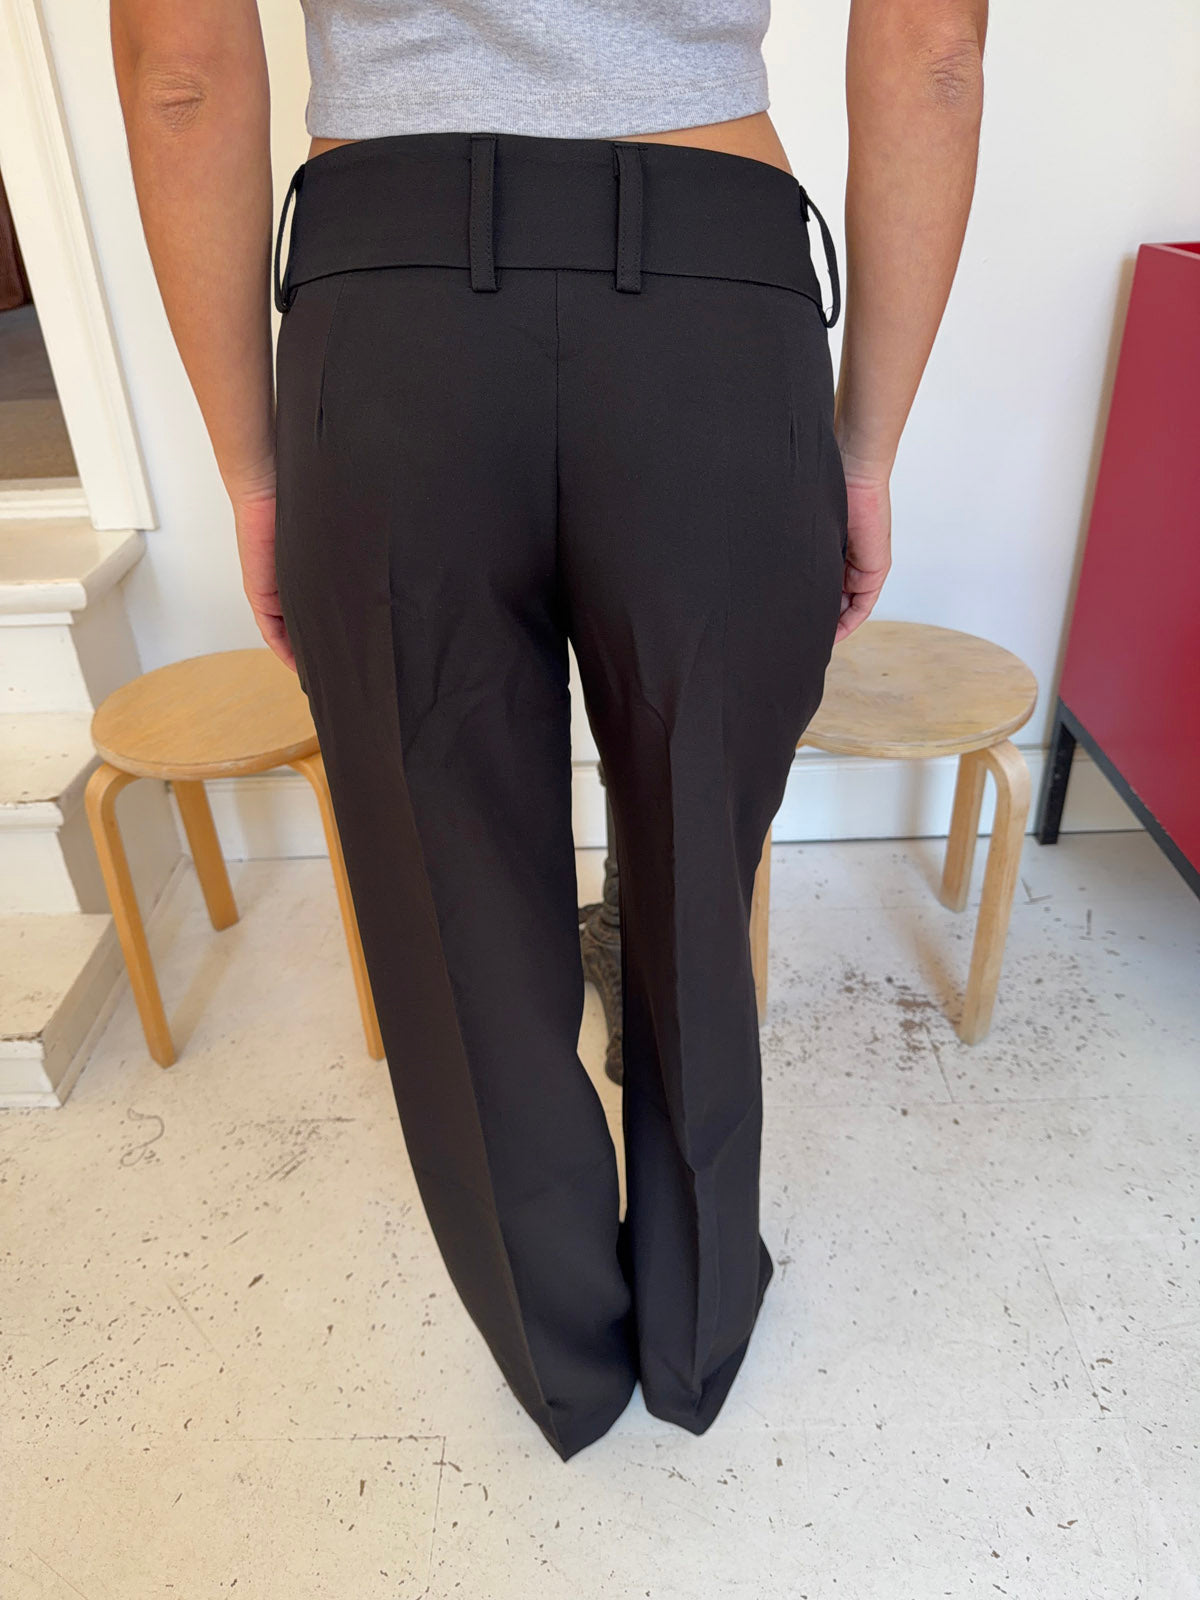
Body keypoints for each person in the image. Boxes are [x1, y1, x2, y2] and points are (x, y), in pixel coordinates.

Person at [110, 0, 988, 1461]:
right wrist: (866, 448)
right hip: (714, 302)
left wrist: (256, 474)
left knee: (444, 885)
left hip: (391, 314)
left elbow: (179, 70)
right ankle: (697, 1334)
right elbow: (934, 52)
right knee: (698, 858)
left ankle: (559, 1359)